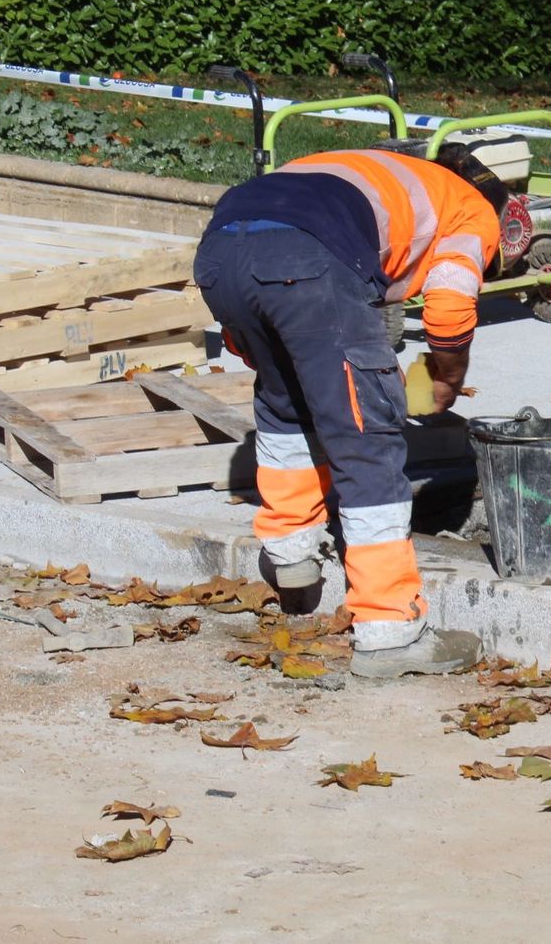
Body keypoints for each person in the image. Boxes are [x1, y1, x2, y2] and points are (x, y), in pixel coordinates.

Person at [194, 144, 509, 677]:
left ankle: (290, 560)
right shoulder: (470, 207)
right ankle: (390, 629)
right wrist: (449, 376)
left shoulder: (363, 167)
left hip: (220, 255)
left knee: (286, 402)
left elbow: (256, 271)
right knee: (366, 440)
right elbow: (451, 302)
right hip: (305, 262)